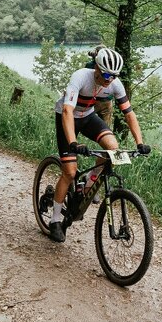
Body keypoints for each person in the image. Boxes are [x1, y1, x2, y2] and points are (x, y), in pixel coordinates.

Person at [48, 46, 150, 242]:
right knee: (69, 171)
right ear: (96, 67)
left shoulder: (115, 84)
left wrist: (140, 143)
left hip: (87, 116)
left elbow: (129, 114)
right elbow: (68, 112)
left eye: (113, 76)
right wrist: (73, 143)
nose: (109, 79)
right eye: (105, 74)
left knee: (113, 149)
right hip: (66, 117)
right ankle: (54, 220)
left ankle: (88, 184)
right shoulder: (80, 77)